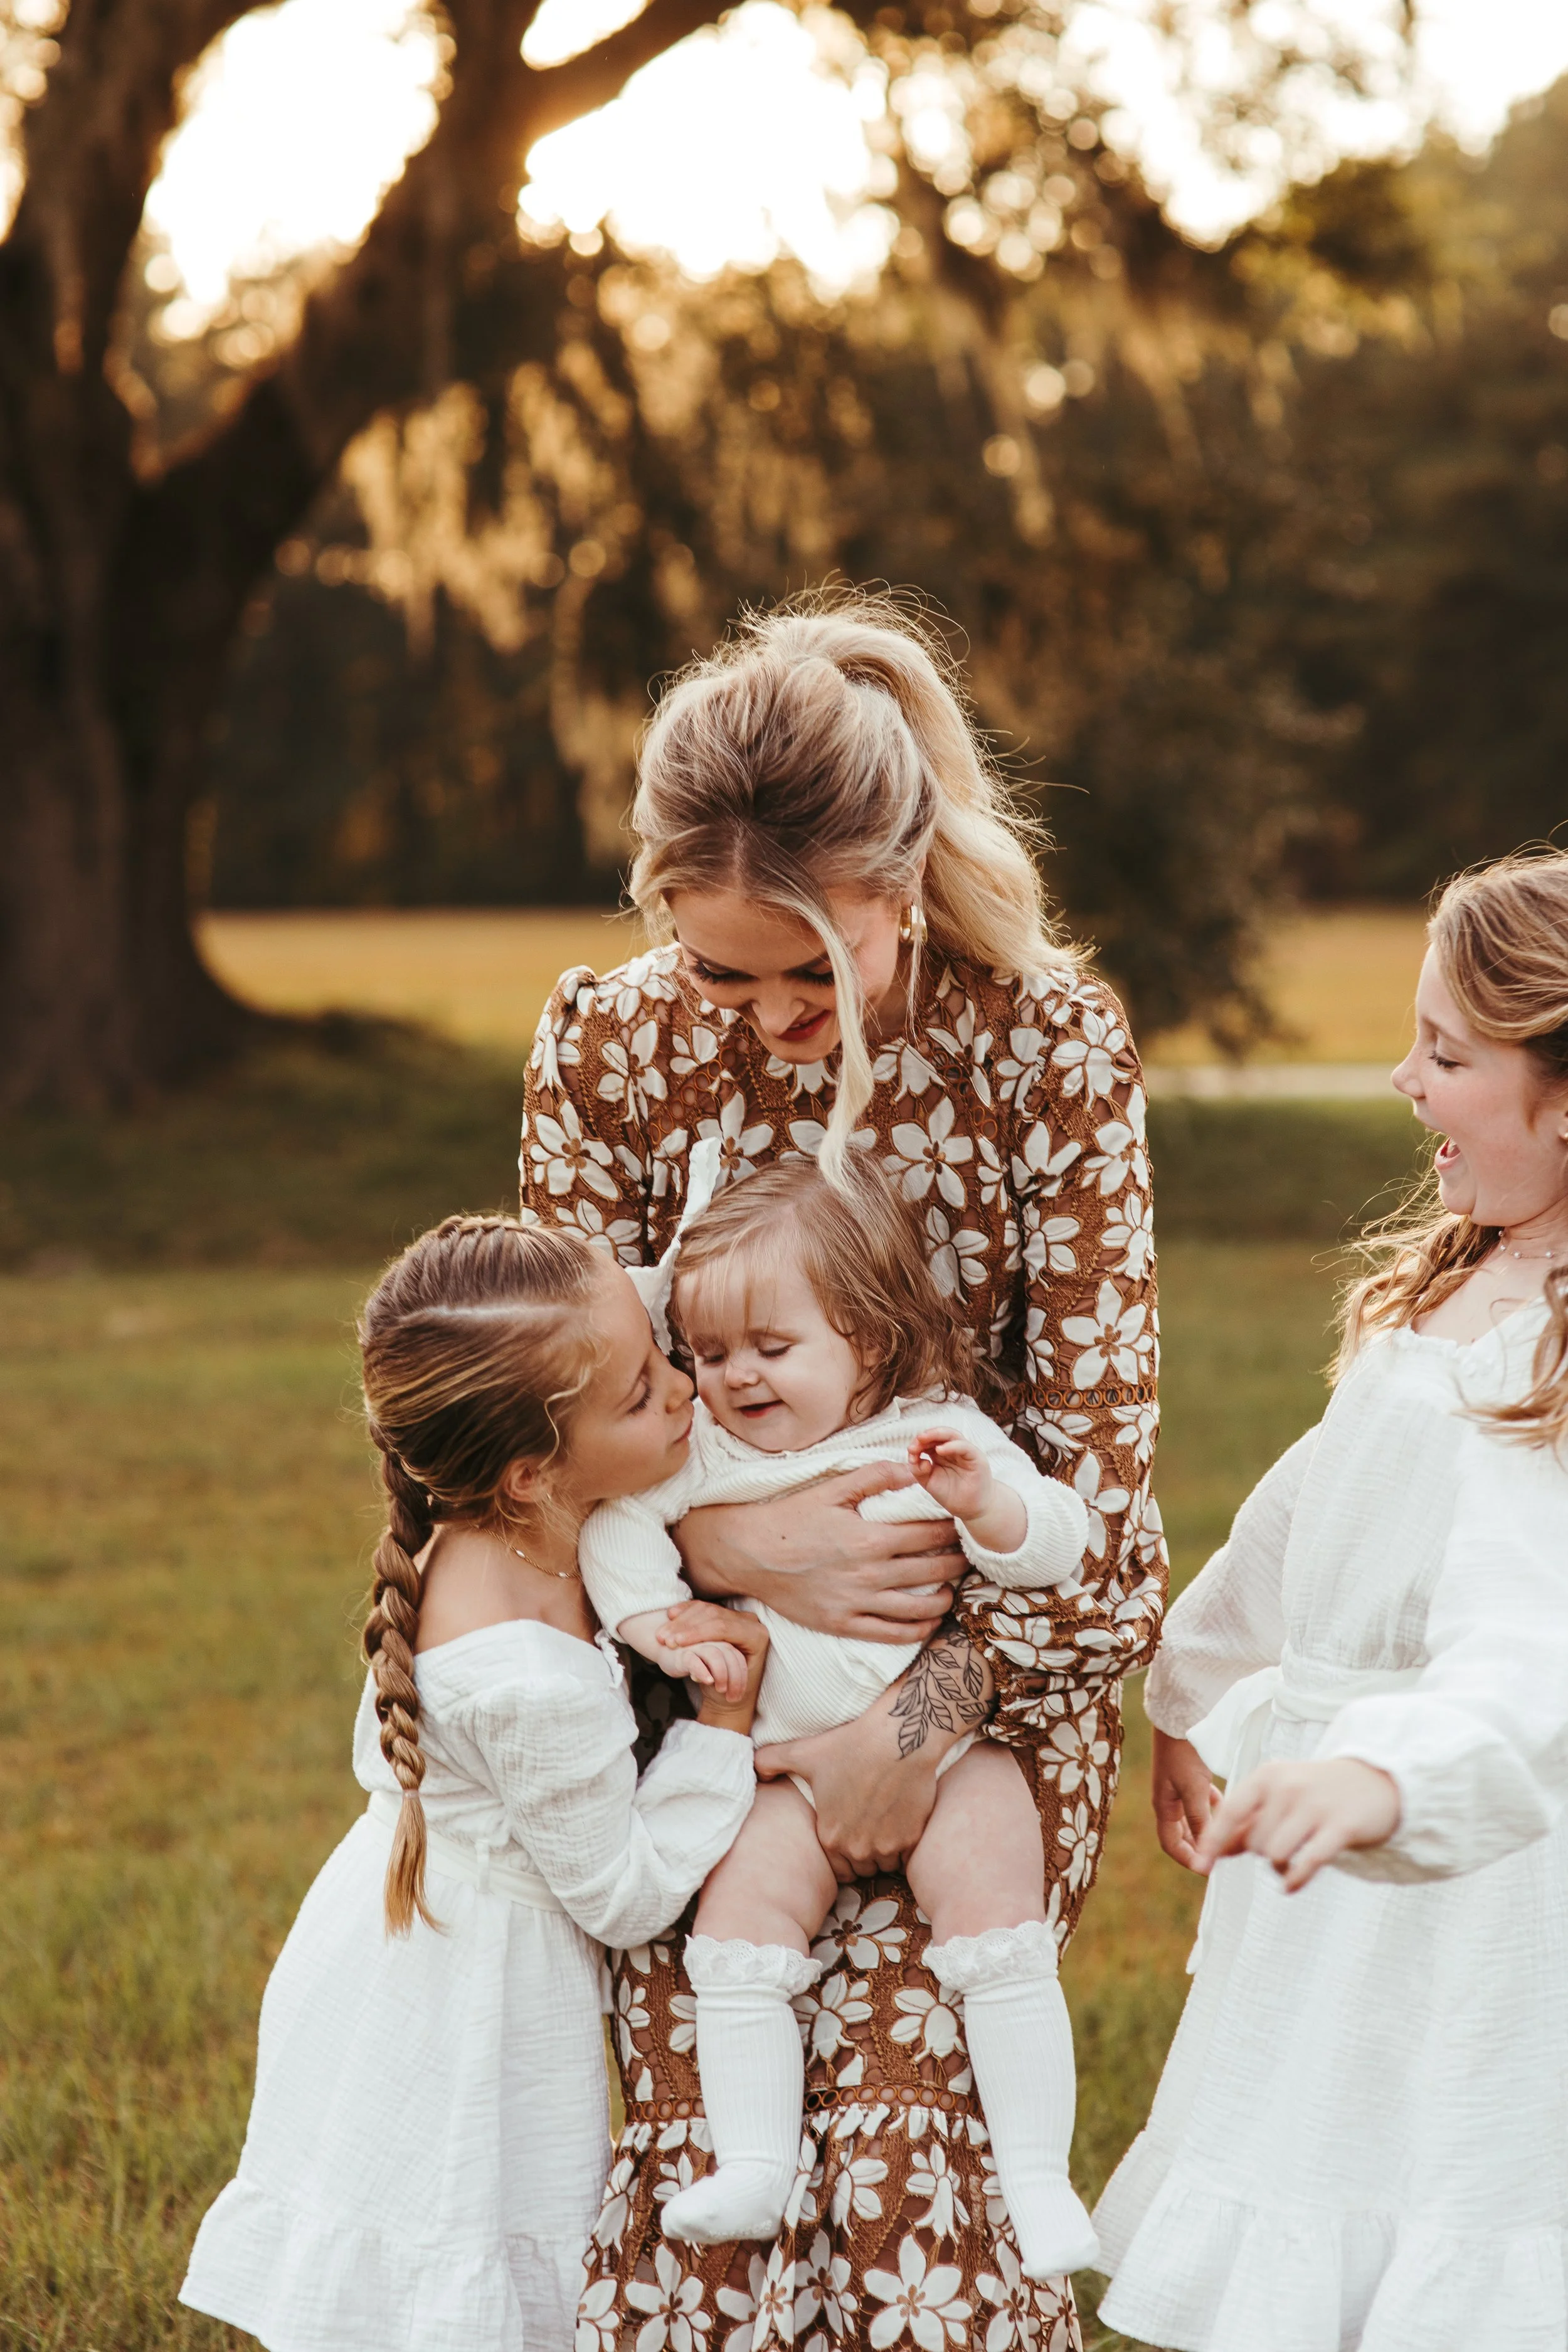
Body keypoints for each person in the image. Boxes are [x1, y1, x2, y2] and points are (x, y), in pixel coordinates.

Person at [522, 592, 1165, 2343]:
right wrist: (741, 1542)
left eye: (819, 963)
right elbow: (538, 1451)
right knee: (711, 2108)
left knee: (905, 2101)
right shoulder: (608, 1049)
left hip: (985, 1704)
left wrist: (928, 1706)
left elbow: (1106, 1516)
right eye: (724, 966)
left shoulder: (1047, 1052)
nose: (771, 1009)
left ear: (904, 877)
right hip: (699, 1694)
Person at [1093, 849, 1568, 2351]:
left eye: (1443, 1054)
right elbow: (1303, 1517)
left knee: (1440, 2221)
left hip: (1468, 1874)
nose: (1399, 1081)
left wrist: (1384, 1777)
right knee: (1310, 2200)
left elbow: (1530, 1642)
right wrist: (1183, 1691)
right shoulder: (1450, 1285)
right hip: (1326, 1852)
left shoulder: (1552, 1365)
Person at [179, 1214, 767, 2352]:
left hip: (399, 1934)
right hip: (467, 1998)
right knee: (456, 2270)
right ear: (536, 1469)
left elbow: (591, 1320)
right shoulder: (523, 1676)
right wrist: (724, 1723)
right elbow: (627, 1895)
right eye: (647, 1391)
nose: (686, 1388)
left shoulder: (506, 1504)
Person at [580, 1150, 1099, 2274]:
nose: (735, 1378)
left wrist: (990, 1505)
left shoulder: (933, 1434)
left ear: (867, 1337)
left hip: (947, 1756)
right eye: (710, 1353)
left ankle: (1039, 2176)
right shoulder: (702, 1456)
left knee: (1001, 1923)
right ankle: (757, 2166)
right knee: (738, 1926)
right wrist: (652, 1620)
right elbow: (614, 1531)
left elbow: (1067, 1539)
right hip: (782, 1771)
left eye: (773, 1348)